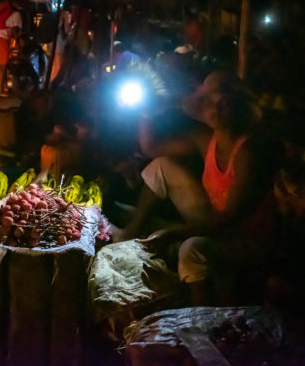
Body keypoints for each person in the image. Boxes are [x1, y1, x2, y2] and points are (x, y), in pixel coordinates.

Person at [115, 71, 279, 305]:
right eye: (209, 102)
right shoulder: (205, 139)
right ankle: (131, 231)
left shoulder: (247, 152)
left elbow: (230, 218)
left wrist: (176, 232)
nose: (216, 108)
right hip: (215, 217)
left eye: (224, 102)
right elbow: (151, 148)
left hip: (246, 237)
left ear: (238, 107)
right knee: (160, 167)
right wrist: (145, 111)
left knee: (191, 249)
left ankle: (201, 314)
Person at [0, 1, 22, 97]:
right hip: (1, 39)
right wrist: (18, 43)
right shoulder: (17, 14)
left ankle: (4, 87)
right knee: (3, 65)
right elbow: (16, 30)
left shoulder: (4, 13)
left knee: (3, 62)